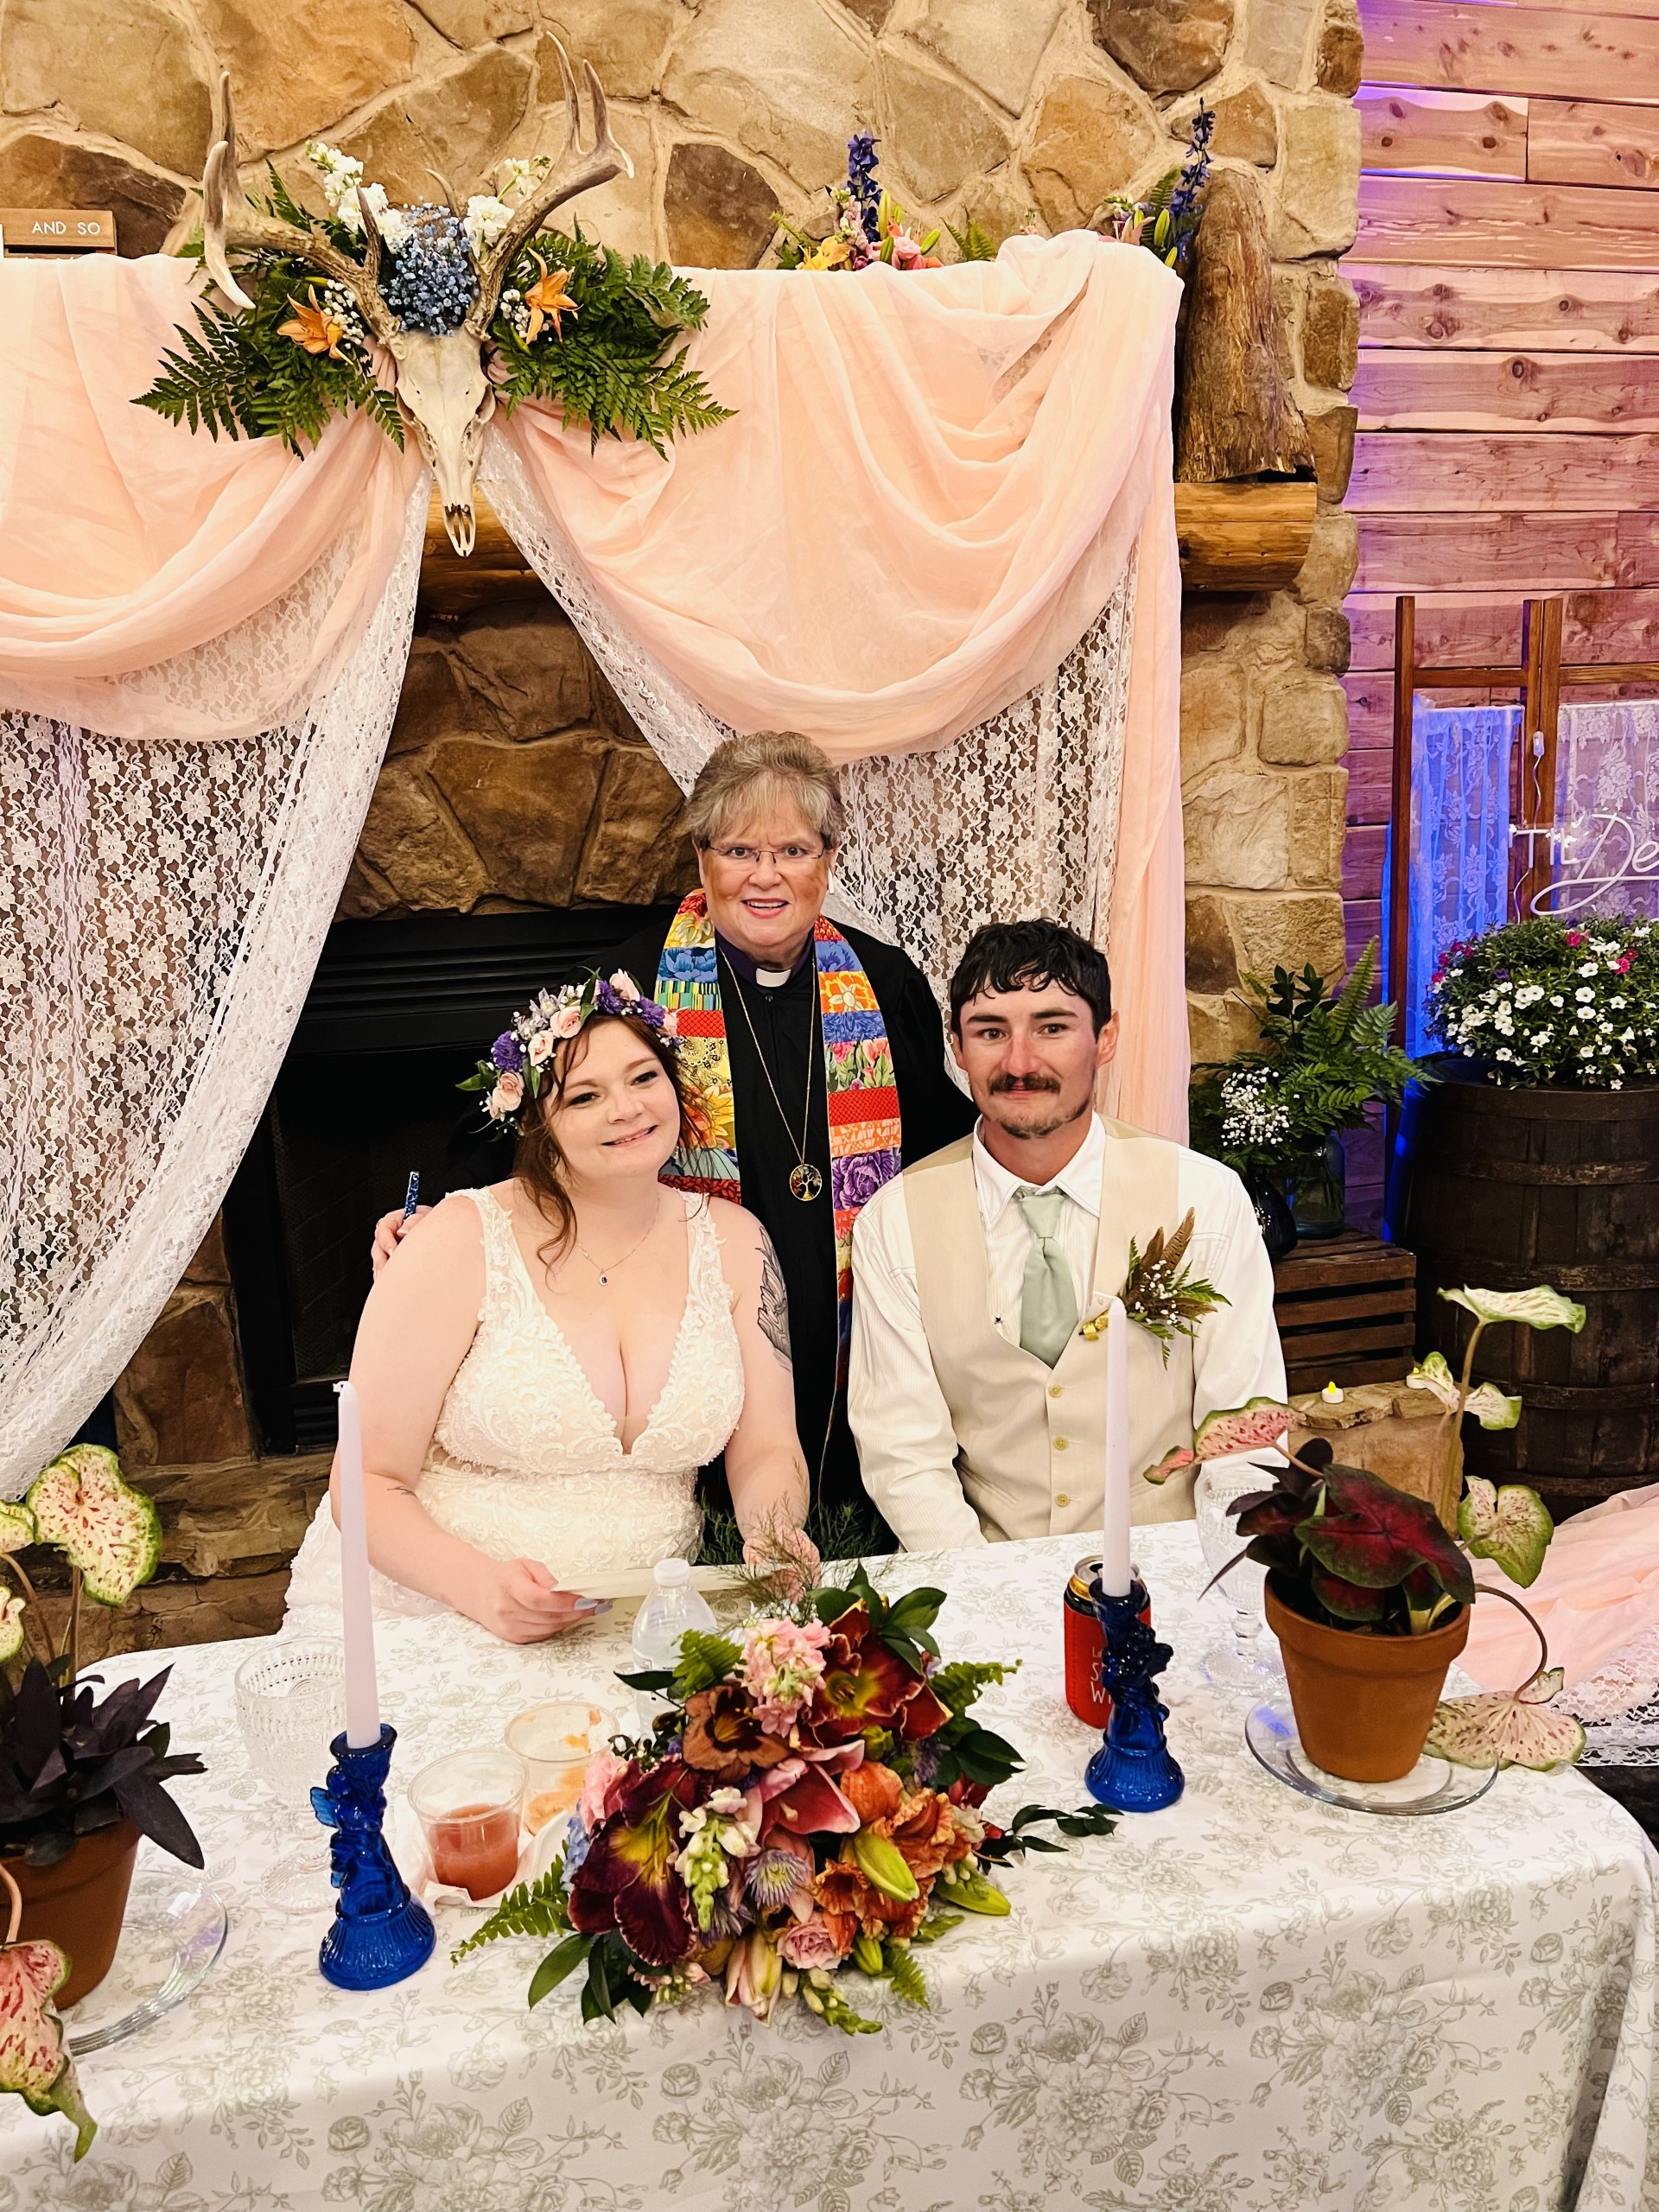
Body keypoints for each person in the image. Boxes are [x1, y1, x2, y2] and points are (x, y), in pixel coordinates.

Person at [373, 733, 974, 1538]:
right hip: (692, 1300)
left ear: (828, 860)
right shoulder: (628, 986)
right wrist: (436, 1229)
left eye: (792, 849)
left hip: (853, 1320)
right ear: (702, 860)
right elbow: (510, 1126)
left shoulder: (887, 981)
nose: (766, 876)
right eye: (740, 850)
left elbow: (940, 1146)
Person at [289, 981, 817, 1641]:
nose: (626, 1109)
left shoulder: (738, 1242)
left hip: (640, 1621)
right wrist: (480, 1588)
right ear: (537, 1120)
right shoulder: (457, 1239)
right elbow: (366, 1477)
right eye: (586, 1095)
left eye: (643, 1077)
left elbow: (767, 1445)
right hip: (435, 1610)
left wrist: (774, 1533)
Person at [849, 918, 1287, 1550]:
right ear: (957, 1046)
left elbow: (1244, 1436)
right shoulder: (894, 1220)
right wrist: (992, 1599)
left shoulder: (1206, 1198)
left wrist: (1213, 1588)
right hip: (982, 1577)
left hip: (1168, 1570)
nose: (1020, 1064)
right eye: (990, 1032)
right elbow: (902, 1455)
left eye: (1052, 1028)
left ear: (1105, 1037)